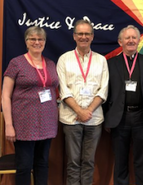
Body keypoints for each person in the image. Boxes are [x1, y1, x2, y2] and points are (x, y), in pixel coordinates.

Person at [1, 26, 59, 185]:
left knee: (42, 164)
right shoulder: (16, 63)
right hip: (24, 124)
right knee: (24, 166)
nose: (37, 42)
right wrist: (8, 125)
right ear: (26, 42)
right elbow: (5, 96)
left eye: (40, 39)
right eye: (32, 39)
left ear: (45, 42)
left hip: (47, 123)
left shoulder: (50, 64)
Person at [104, 25, 143, 185]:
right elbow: (106, 92)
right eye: (127, 38)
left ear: (138, 40)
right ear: (120, 41)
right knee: (120, 161)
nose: (131, 40)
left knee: (142, 161)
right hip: (119, 118)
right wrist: (108, 117)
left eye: (134, 37)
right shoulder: (110, 64)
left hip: (142, 117)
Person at [56, 19, 109, 185]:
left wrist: (88, 111)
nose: (83, 37)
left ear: (92, 36)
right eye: (80, 33)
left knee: (89, 162)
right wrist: (79, 111)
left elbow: (103, 89)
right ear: (74, 36)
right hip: (71, 119)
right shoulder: (64, 59)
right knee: (73, 162)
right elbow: (63, 90)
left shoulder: (101, 60)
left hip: (94, 119)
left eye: (87, 34)